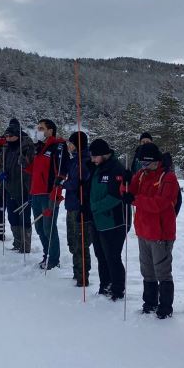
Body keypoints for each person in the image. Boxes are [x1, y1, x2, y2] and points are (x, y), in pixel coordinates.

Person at [128, 143, 179, 318]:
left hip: (161, 233)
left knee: (162, 270)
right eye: (141, 164)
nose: (144, 167)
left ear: (156, 161)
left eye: (147, 163)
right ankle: (149, 302)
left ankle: (165, 307)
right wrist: (126, 183)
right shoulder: (141, 175)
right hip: (143, 230)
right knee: (147, 270)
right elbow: (129, 191)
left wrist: (135, 199)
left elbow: (160, 204)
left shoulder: (168, 178)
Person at [89, 138, 130, 301]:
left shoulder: (115, 168)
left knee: (112, 256)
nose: (92, 160)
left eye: (94, 156)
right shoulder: (98, 168)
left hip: (114, 221)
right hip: (98, 220)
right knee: (100, 255)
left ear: (103, 154)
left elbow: (116, 196)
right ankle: (104, 284)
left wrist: (94, 207)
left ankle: (117, 289)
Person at [30, 119, 69, 270]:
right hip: (36, 193)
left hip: (49, 193)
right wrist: (25, 164)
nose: (38, 131)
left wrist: (57, 191)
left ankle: (54, 259)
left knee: (49, 227)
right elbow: (34, 170)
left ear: (50, 130)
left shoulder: (57, 146)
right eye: (38, 128)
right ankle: (47, 254)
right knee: (39, 228)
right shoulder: (38, 147)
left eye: (42, 128)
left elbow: (62, 170)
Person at [0, 119, 35, 253]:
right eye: (6, 136)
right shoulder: (6, 148)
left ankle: (25, 246)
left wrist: (25, 161)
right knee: (12, 216)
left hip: (23, 187)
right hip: (9, 187)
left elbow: (32, 163)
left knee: (24, 217)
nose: (8, 138)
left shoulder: (27, 146)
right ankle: (17, 242)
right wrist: (0, 173)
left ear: (17, 135)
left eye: (10, 136)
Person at [64, 131, 93, 286]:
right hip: (71, 205)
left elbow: (76, 183)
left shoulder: (84, 161)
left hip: (79, 206)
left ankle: (83, 275)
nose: (69, 146)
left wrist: (63, 184)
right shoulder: (74, 160)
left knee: (80, 243)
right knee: (72, 242)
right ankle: (76, 272)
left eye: (71, 143)